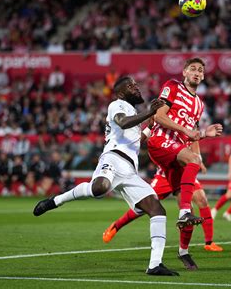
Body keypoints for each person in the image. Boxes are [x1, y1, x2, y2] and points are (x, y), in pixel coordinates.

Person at [32, 76, 179, 276]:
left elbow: (137, 138)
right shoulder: (116, 105)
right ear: (120, 92)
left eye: (136, 85)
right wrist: (149, 112)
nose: (136, 88)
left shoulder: (134, 113)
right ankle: (55, 200)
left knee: (157, 209)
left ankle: (155, 264)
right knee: (99, 188)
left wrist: (152, 124)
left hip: (130, 171)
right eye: (131, 86)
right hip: (114, 158)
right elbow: (122, 122)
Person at [147, 57, 223, 229]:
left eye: (201, 71)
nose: (197, 73)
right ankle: (185, 214)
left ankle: (184, 249)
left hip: (177, 148)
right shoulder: (172, 86)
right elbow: (159, 116)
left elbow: (190, 136)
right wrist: (186, 131)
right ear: (185, 72)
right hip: (161, 140)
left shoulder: (199, 105)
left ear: (203, 77)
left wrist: (204, 133)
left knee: (180, 197)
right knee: (193, 160)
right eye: (193, 69)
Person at [102, 165, 224, 270]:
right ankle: (116, 226)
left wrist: (198, 160)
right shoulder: (161, 138)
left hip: (184, 173)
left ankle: (194, 248)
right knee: (144, 204)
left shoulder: (190, 138)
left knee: (197, 204)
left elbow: (194, 144)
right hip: (165, 175)